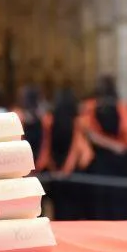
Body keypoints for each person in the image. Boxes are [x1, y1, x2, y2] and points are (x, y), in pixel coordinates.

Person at [81, 76, 127, 220]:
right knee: (118, 200)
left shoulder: (90, 107)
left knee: (99, 202)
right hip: (118, 161)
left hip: (99, 160)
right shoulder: (122, 107)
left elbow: (89, 134)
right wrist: (117, 146)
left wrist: (110, 145)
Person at [43, 87, 93, 220]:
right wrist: (67, 169)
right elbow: (76, 149)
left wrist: (54, 168)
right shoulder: (78, 121)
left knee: (59, 208)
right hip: (74, 172)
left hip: (56, 171)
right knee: (74, 209)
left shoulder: (49, 119)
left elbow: (47, 146)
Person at [12, 85, 49, 171]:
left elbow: (46, 139)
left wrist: (43, 157)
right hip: (24, 153)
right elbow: (20, 139)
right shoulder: (19, 114)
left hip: (36, 151)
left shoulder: (42, 115)